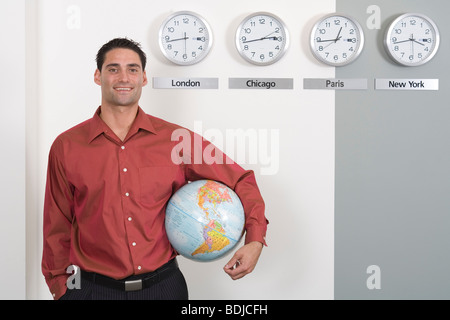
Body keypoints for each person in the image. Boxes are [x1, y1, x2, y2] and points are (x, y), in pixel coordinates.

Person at [42, 38, 268, 300]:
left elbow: (240, 179)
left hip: (163, 289)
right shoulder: (67, 146)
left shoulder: (176, 139)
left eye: (133, 69)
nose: (123, 77)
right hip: (92, 290)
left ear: (144, 78)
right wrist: (62, 290)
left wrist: (254, 240)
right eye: (113, 69)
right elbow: (56, 225)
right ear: (97, 76)